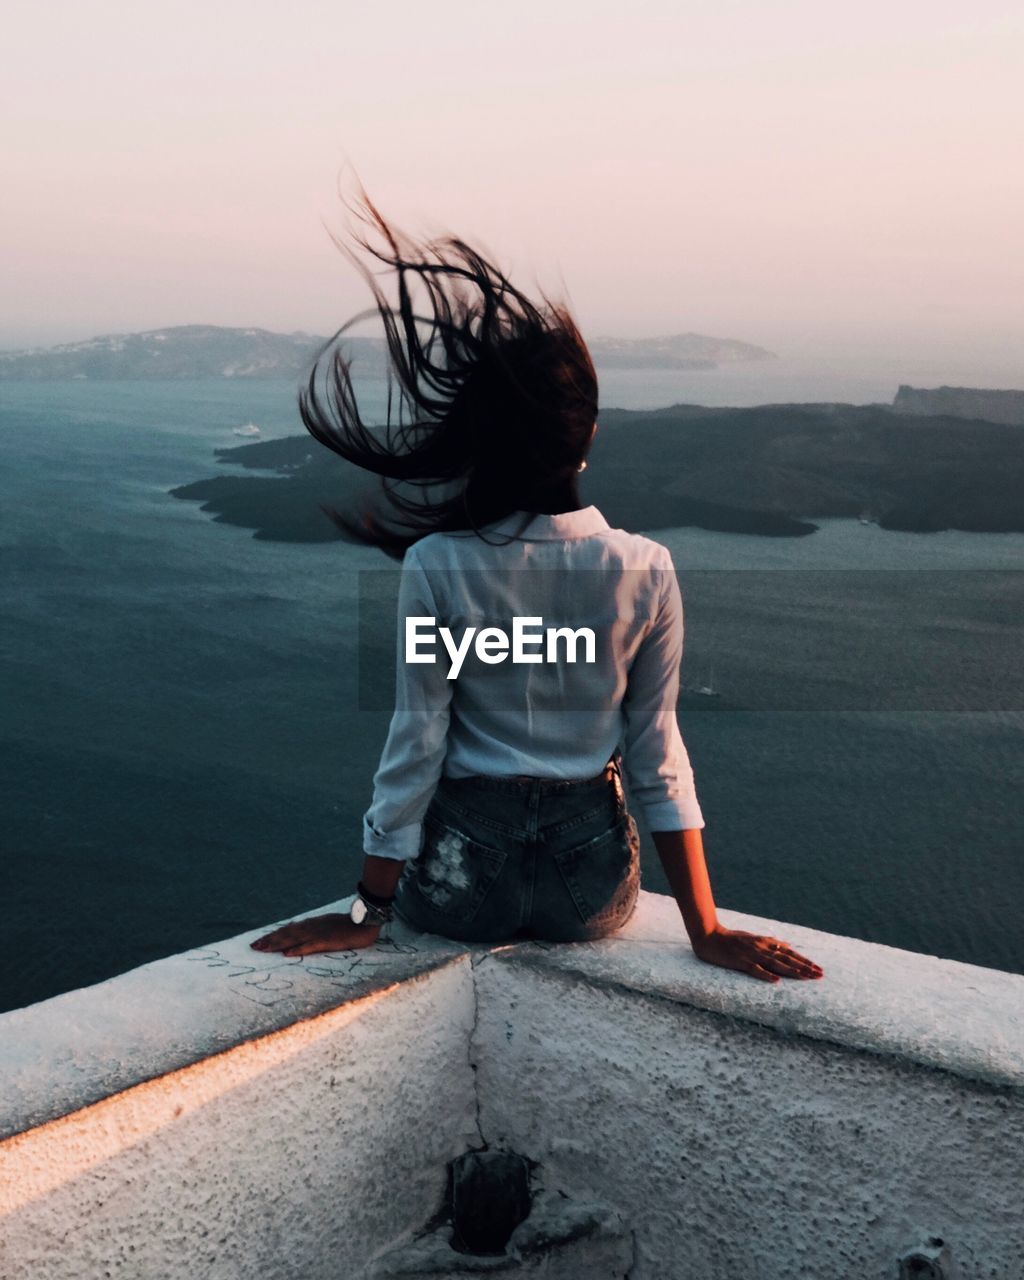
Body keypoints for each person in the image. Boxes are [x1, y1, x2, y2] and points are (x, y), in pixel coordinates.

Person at [252, 185, 823, 985]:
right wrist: (706, 928)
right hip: (585, 893)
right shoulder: (646, 569)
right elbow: (659, 756)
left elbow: (416, 747)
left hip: (461, 887)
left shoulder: (437, 566)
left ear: (484, 440)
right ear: (587, 435)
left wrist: (364, 914)